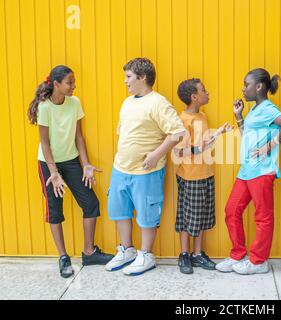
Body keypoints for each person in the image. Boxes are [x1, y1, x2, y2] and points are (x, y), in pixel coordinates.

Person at [28, 65, 113, 278]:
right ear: (56, 84)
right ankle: (63, 256)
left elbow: (79, 137)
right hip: (49, 164)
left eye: (74, 82)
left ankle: (89, 252)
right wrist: (53, 172)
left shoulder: (74, 103)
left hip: (72, 160)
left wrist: (85, 164)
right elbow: (45, 144)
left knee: (91, 203)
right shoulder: (45, 107)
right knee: (55, 210)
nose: (74, 86)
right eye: (70, 83)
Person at [105, 58, 186, 276]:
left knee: (147, 214)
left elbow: (178, 133)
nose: (125, 82)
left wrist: (156, 154)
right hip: (121, 169)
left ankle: (146, 254)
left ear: (143, 78)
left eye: (129, 77)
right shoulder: (127, 102)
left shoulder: (158, 102)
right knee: (119, 211)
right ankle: (127, 250)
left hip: (147, 171)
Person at [216, 68, 281, 275]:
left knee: (263, 217)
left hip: (262, 171)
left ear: (259, 86)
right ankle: (238, 255)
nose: (243, 89)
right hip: (247, 170)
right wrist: (239, 117)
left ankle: (259, 261)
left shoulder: (269, 108)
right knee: (231, 211)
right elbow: (248, 137)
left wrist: (268, 146)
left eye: (246, 84)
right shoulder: (254, 110)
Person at [173, 78, 233, 274]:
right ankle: (185, 254)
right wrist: (200, 148)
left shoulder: (203, 117)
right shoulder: (183, 120)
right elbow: (179, 152)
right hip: (191, 176)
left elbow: (205, 142)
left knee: (201, 216)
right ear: (194, 97)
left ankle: (197, 254)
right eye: (204, 90)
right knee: (187, 216)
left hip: (206, 173)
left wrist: (219, 133)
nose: (208, 93)